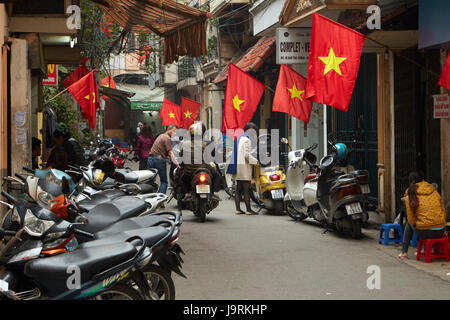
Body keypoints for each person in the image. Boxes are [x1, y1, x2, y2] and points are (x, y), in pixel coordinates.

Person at [398, 171, 447, 260]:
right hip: (441, 230)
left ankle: (404, 252)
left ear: (411, 181)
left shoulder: (410, 193)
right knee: (424, 222)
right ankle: (424, 250)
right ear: (423, 180)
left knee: (410, 223)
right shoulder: (433, 191)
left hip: (425, 232)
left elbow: (411, 219)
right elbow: (443, 210)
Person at [179, 121, 221, 202]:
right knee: (217, 176)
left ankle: (187, 194)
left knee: (182, 179)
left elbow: (181, 156)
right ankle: (215, 193)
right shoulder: (205, 143)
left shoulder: (185, 144)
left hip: (190, 169)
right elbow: (210, 156)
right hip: (204, 168)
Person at [228, 122, 260, 215]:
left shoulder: (240, 138)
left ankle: (238, 209)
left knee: (238, 189)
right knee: (246, 189)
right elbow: (247, 155)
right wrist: (256, 162)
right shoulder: (247, 139)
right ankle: (248, 210)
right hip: (244, 167)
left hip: (237, 166)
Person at [147, 124, 181, 196]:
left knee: (150, 180)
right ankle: (160, 199)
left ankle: (148, 196)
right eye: (174, 131)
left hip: (150, 159)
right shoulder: (167, 138)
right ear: (169, 129)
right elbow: (170, 153)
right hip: (159, 160)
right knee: (164, 181)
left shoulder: (160, 136)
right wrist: (177, 164)